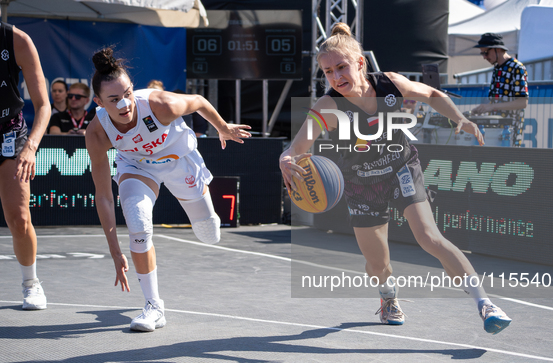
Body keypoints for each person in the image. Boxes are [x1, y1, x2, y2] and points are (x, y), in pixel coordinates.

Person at [280, 23, 512, 334]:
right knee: (378, 264)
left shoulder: (390, 84)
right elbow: (298, 146)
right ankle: (388, 297)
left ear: (360, 64)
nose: (336, 77)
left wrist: (460, 118)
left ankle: (485, 304)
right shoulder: (329, 105)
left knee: (430, 238)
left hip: (401, 167)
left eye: (341, 67)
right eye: (328, 72)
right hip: (361, 183)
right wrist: (286, 157)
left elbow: (431, 93)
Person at [85, 47, 251, 332]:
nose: (124, 104)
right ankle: (153, 306)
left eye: (127, 94)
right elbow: (103, 196)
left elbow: (198, 100)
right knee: (137, 224)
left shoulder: (159, 104)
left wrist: (223, 127)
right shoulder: (98, 133)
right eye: (114, 100)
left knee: (209, 235)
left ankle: (205, 211)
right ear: (99, 103)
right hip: (137, 167)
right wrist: (114, 251)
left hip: (179, 162)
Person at [0, 22, 51, 309]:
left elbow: (44, 105)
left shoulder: (16, 40)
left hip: (10, 134)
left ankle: (31, 283)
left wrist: (30, 147)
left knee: (19, 219)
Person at [471, 33, 528, 147]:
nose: (484, 57)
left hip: (509, 133)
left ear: (497, 49)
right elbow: (497, 100)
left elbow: (522, 102)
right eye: (482, 53)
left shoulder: (517, 67)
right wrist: (483, 107)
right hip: (495, 132)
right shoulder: (497, 68)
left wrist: (492, 106)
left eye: (486, 52)